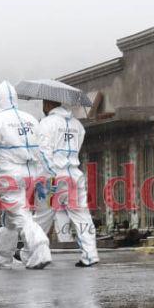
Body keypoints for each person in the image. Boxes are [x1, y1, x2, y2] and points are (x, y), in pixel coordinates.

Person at [0, 81, 52, 269]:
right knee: (10, 216)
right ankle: (2, 255)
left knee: (19, 213)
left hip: (10, 175)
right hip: (32, 174)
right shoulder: (31, 119)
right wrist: (42, 177)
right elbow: (43, 150)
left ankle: (40, 248)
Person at [35, 99, 100, 267]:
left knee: (42, 217)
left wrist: (48, 177)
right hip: (74, 176)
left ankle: (33, 253)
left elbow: (43, 152)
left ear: (49, 104)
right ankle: (90, 255)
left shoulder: (46, 123)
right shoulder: (77, 125)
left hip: (54, 177)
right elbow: (76, 148)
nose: (42, 107)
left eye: (43, 104)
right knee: (82, 216)